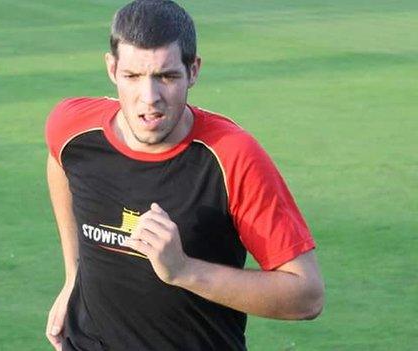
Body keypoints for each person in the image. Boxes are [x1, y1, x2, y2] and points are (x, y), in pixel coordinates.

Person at [44, 1, 324, 350]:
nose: (149, 98)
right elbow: (59, 161)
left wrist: (183, 270)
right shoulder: (73, 127)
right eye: (132, 76)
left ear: (193, 70)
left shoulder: (232, 156)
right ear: (112, 69)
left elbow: (307, 295)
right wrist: (74, 275)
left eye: (167, 76)